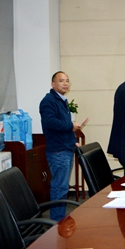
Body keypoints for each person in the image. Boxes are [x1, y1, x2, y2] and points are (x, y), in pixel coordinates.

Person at [39, 71, 81, 221]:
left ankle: (60, 219)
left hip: (66, 148)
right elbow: (50, 123)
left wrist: (72, 140)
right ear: (53, 84)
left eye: (67, 81)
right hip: (58, 151)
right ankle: (56, 223)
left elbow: (63, 126)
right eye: (61, 80)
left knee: (62, 187)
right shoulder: (49, 101)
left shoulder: (62, 100)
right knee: (59, 187)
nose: (65, 83)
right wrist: (71, 126)